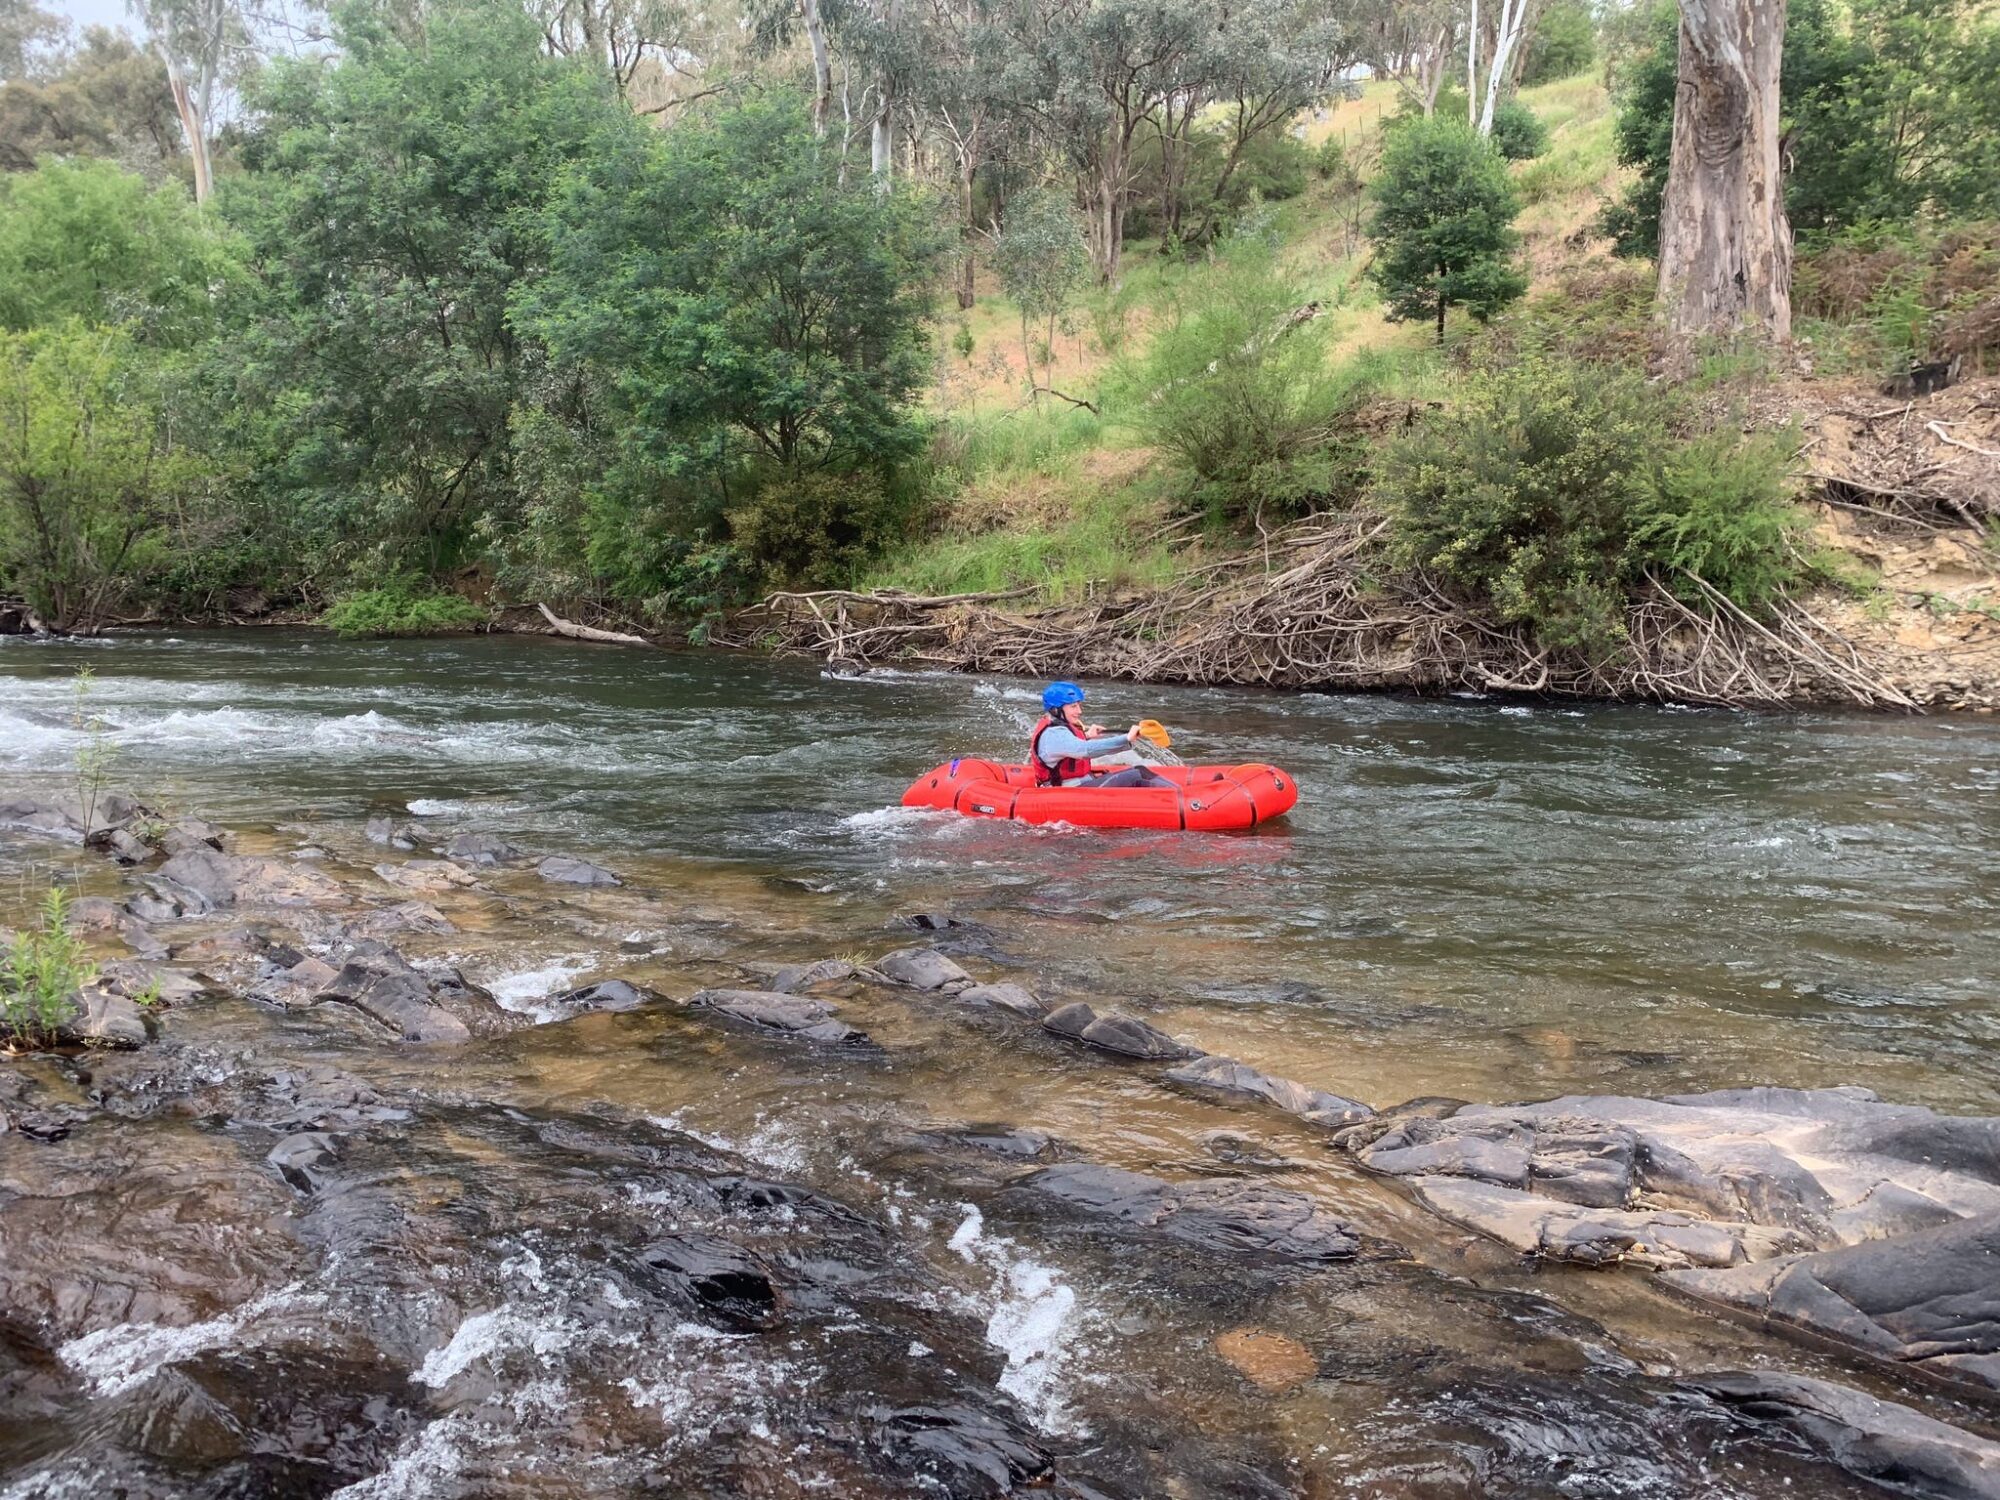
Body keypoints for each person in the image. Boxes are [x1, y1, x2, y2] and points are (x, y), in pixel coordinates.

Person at [1029, 682, 1171, 789]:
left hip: (1080, 784)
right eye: (1073, 706)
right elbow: (1086, 750)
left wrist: (1087, 735)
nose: (1079, 711)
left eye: (1079, 705)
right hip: (1067, 792)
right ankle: (1180, 799)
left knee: (1139, 770)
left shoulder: (1056, 726)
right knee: (1136, 774)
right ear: (1056, 709)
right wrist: (1126, 738)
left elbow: (1069, 744)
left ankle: (1178, 795)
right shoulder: (1054, 734)